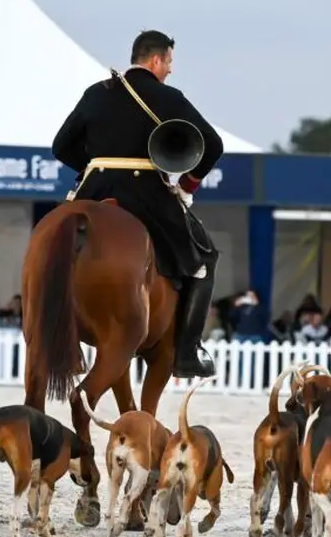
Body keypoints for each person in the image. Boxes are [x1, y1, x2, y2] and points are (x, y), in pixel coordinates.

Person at [51, 29, 225, 379]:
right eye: (170, 62)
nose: (171, 70)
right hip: (145, 190)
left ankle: (58, 334)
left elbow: (60, 146)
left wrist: (94, 167)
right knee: (204, 256)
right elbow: (213, 143)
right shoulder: (167, 96)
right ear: (156, 60)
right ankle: (188, 352)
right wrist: (187, 184)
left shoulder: (95, 93)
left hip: (94, 188)